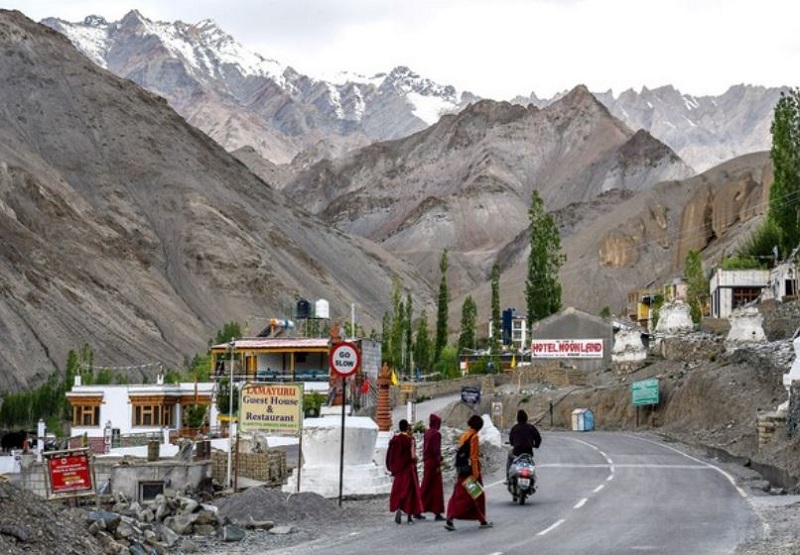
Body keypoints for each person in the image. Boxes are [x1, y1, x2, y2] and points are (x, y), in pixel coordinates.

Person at [444, 415, 492, 531]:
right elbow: (474, 457)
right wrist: (476, 475)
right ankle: (480, 520)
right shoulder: (474, 437)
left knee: (461, 495)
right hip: (470, 473)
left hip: (461, 470)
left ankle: (479, 519)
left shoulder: (464, 435)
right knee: (475, 496)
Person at [386, 419, 423, 524]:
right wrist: (415, 459)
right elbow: (412, 456)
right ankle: (409, 517)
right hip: (408, 469)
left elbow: (391, 456)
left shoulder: (394, 439)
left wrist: (393, 468)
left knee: (398, 490)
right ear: (406, 427)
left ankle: (398, 508)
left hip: (398, 471)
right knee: (410, 492)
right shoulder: (409, 440)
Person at [419, 413, 445, 521]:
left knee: (426, 485)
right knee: (436, 488)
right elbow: (436, 450)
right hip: (434, 463)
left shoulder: (427, 433)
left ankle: (418, 507)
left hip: (427, 462)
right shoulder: (436, 434)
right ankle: (437, 511)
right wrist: (439, 460)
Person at [506, 409, 542, 481]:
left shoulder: (514, 428)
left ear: (517, 419)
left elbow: (511, 440)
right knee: (531, 462)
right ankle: (532, 478)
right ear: (526, 418)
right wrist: (536, 445)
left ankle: (508, 476)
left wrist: (514, 443)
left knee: (510, 456)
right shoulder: (531, 427)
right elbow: (538, 438)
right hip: (528, 452)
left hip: (517, 452)